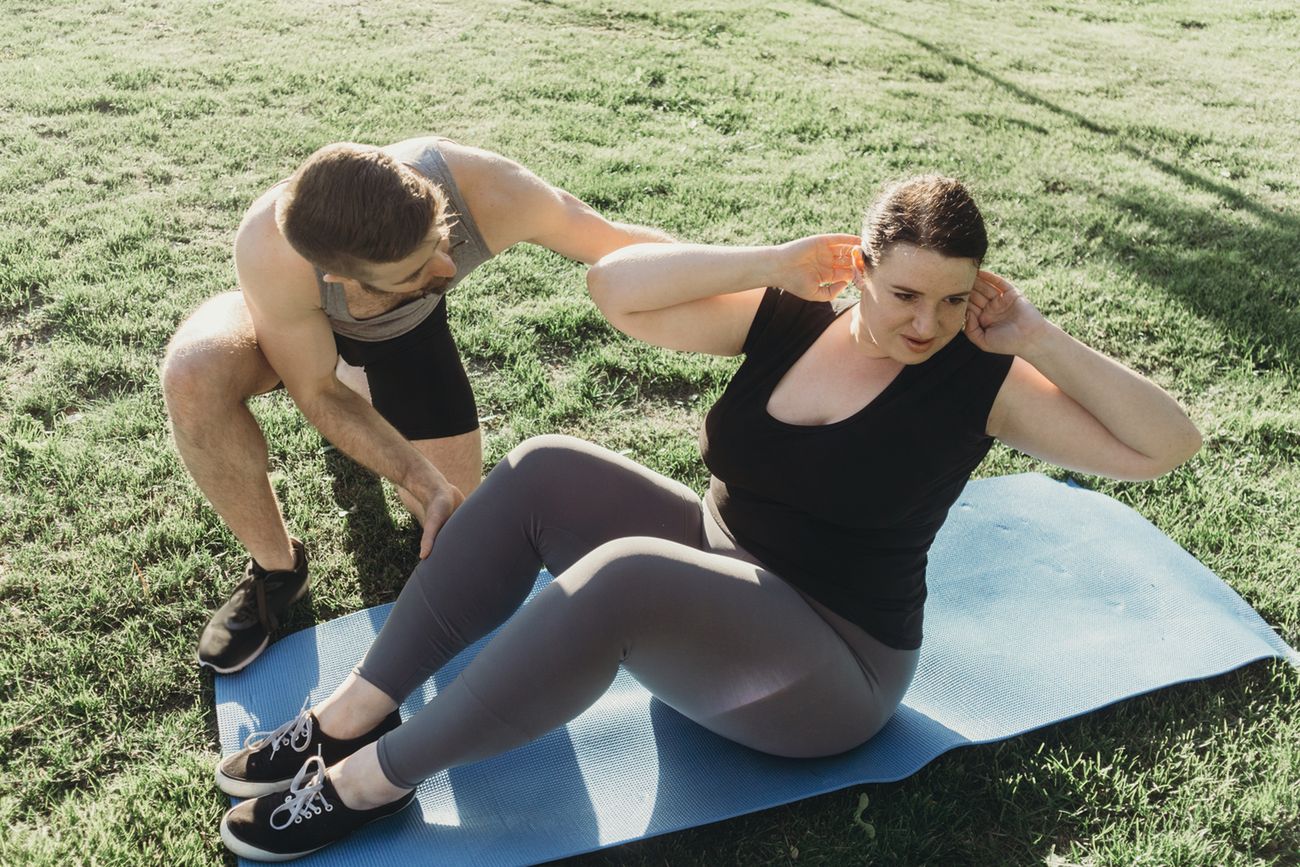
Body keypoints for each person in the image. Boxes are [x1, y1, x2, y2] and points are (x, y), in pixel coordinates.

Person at [213, 176, 1202, 860]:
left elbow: (1164, 447)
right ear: (857, 266)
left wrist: (1037, 336)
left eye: (950, 302)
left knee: (628, 575)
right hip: (725, 577)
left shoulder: (979, 382)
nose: (923, 325)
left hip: (827, 670)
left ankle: (369, 785)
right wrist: (769, 259)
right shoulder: (786, 314)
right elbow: (615, 290)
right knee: (547, 469)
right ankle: (344, 719)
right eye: (903, 293)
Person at [161, 136, 673, 674]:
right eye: (414, 272)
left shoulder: (487, 191)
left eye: (442, 240)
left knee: (459, 535)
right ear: (339, 276)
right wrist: (419, 475)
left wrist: (756, 291)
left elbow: (622, 246)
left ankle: (372, 372)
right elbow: (315, 389)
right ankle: (277, 571)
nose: (447, 270)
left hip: (406, 336)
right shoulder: (274, 251)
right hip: (294, 334)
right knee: (193, 376)